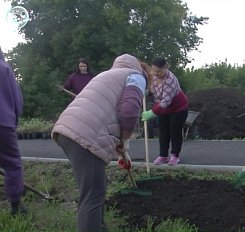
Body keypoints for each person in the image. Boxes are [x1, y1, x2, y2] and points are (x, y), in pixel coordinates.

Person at [52, 54, 147, 232]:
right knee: (92, 195)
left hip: (67, 129)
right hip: (85, 133)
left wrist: (120, 147)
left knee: (96, 185)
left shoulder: (105, 75)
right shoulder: (136, 76)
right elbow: (129, 111)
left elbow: (105, 108)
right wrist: (125, 140)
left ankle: (100, 227)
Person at [142, 56, 188, 166]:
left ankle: (175, 156)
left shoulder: (170, 80)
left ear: (165, 68)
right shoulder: (153, 76)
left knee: (174, 132)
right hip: (162, 109)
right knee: (163, 131)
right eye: (154, 71)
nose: (156, 74)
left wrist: (152, 112)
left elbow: (165, 102)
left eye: (159, 71)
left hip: (178, 108)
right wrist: (147, 92)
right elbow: (153, 90)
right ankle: (163, 155)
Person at [0, 47, 27, 215]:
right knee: (12, 164)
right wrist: (14, 118)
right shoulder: (4, 68)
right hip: (3, 123)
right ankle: (16, 206)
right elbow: (17, 99)